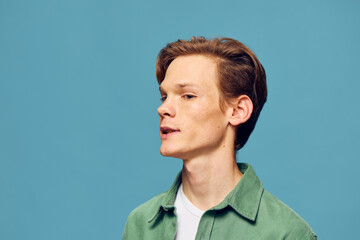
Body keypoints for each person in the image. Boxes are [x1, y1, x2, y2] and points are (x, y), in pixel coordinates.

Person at [122, 37, 317, 240]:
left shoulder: (286, 233)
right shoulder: (140, 223)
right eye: (164, 97)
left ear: (238, 111)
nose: (163, 109)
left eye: (188, 96)